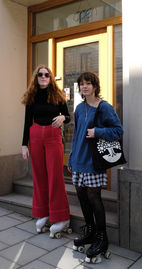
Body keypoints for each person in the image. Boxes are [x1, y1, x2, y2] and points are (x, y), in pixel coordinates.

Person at [68, 72, 123, 262]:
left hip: (93, 161)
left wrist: (97, 131)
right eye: (81, 84)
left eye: (88, 83)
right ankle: (90, 232)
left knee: (94, 197)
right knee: (82, 196)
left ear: (95, 86)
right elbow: (75, 135)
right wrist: (71, 158)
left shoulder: (103, 107)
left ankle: (102, 238)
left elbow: (118, 130)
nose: (84, 87)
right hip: (79, 161)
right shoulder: (78, 107)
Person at [22, 64, 70, 238]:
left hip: (52, 137)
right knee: (39, 176)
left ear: (50, 78)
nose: (43, 77)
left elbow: (69, 116)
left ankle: (61, 216)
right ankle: (44, 213)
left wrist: (63, 117)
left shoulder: (58, 96)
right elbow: (27, 122)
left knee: (55, 176)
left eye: (47, 75)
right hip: (35, 137)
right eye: (40, 74)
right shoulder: (32, 97)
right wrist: (24, 145)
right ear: (36, 77)